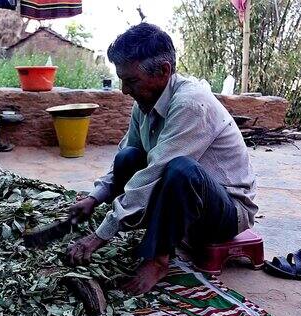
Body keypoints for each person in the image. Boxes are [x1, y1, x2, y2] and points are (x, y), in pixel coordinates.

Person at [66, 23, 258, 295]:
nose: (124, 90)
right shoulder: (144, 103)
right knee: (128, 156)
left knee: (180, 169)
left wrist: (100, 235)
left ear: (164, 71)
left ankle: (158, 260)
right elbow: (128, 153)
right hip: (184, 201)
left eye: (131, 81)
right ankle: (150, 233)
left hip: (226, 211)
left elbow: (156, 170)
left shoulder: (191, 104)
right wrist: (94, 197)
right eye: (122, 80)